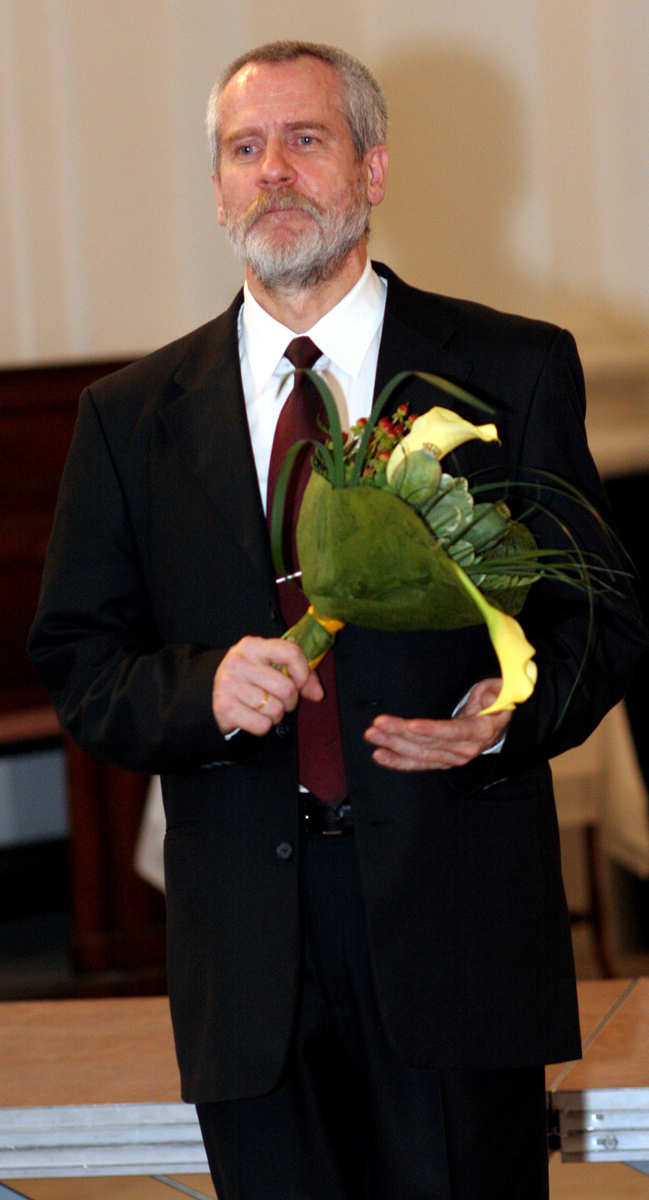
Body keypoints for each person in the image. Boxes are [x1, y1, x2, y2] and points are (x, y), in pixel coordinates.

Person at [28, 40, 648, 1200]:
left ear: (371, 169)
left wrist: (506, 713)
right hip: (246, 956)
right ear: (217, 188)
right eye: (244, 149)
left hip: (457, 931)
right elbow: (79, 658)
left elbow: (602, 619)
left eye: (304, 140)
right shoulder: (129, 416)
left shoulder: (509, 370)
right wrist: (201, 690)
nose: (272, 171)